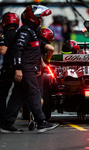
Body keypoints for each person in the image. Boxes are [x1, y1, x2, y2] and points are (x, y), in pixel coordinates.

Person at [0, 5, 59, 134]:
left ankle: (6, 124)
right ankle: (41, 122)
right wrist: (18, 69)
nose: (41, 20)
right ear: (33, 18)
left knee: (18, 96)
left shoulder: (32, 32)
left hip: (29, 68)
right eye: (39, 17)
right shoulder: (25, 32)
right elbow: (17, 51)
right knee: (34, 93)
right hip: (25, 69)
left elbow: (34, 52)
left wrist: (37, 66)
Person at [0, 12, 20, 127]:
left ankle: (3, 119)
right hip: (19, 67)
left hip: (8, 69)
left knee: (2, 95)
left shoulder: (6, 34)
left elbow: (3, 50)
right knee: (18, 95)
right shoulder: (20, 34)